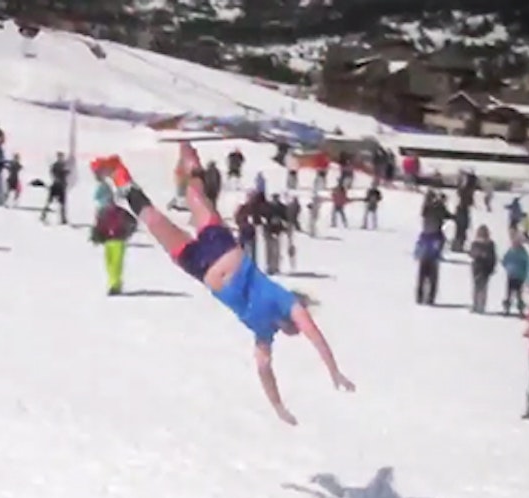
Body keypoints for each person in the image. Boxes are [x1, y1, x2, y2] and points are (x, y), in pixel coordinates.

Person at [89, 143, 354, 425]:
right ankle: (192, 163)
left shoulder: (264, 332)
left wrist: (278, 406)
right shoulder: (286, 302)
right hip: (222, 246)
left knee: (153, 220)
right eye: (298, 327)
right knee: (193, 194)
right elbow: (315, 335)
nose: (297, 331)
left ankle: (119, 172)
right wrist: (334, 371)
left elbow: (264, 369)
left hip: (199, 267)